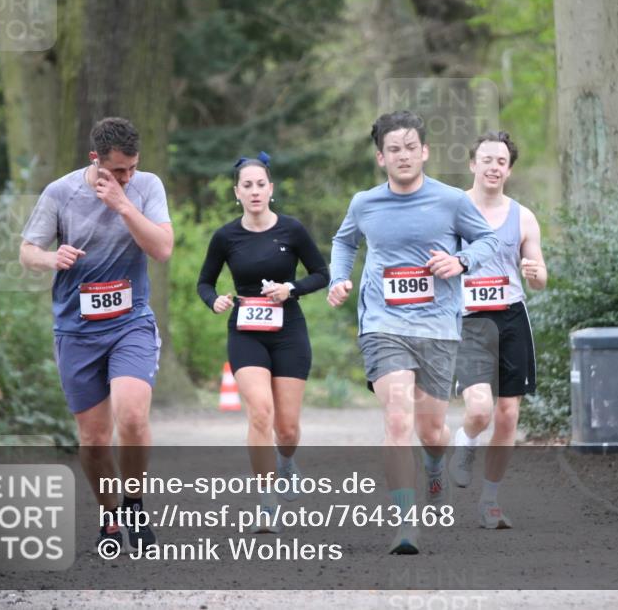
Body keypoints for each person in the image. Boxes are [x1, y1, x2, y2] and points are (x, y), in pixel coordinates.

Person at [328, 110, 499, 554]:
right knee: (398, 417)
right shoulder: (364, 203)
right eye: (393, 150)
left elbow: (489, 242)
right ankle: (406, 523)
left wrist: (461, 262)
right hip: (384, 324)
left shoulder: (451, 201)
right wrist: (338, 278)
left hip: (439, 328)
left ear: (424, 151)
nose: (402, 156)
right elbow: (344, 242)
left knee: (432, 430)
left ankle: (435, 461)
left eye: (410, 147)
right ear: (381, 157)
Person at [20, 117, 173, 554]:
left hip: (131, 324)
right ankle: (110, 521)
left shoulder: (146, 187)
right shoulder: (60, 192)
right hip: (77, 329)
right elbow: (27, 251)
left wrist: (124, 204)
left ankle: (135, 504)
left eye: (131, 168)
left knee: (133, 417)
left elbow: (162, 249)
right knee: (92, 439)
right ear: (95, 159)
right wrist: (52, 259)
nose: (125, 177)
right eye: (116, 171)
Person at [197, 151, 329, 529]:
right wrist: (215, 300)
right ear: (237, 193)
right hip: (246, 332)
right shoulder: (225, 236)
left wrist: (292, 288)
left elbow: (321, 273)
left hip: (288, 331)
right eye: (246, 186)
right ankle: (266, 501)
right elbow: (204, 281)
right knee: (260, 413)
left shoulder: (292, 230)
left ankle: (286, 460)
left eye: (260, 185)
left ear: (271, 189)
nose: (254, 192)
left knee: (286, 429)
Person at [447, 131, 547, 529]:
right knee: (479, 410)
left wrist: (537, 273)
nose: (493, 167)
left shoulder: (523, 216)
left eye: (501, 161)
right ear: (473, 164)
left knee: (507, 415)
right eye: (486, 159)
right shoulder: (451, 210)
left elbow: (539, 277)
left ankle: (490, 501)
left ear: (509, 169)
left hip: (511, 316)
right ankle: (465, 442)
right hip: (469, 319)